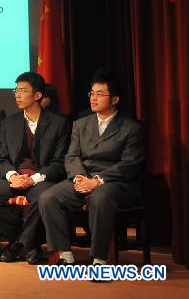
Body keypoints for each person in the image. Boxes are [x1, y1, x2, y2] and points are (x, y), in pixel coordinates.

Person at [39, 68, 144, 265]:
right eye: (92, 93)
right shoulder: (80, 124)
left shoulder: (131, 128)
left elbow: (129, 164)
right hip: (83, 177)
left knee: (100, 197)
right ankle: (65, 255)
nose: (93, 98)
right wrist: (79, 177)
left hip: (116, 182)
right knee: (48, 198)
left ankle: (99, 258)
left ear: (115, 99)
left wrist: (97, 181)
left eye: (100, 94)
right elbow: (72, 155)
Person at [0, 72, 70, 264]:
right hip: (15, 176)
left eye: (23, 91)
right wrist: (12, 176)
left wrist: (34, 178)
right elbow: (2, 159)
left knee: (41, 198)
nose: (17, 95)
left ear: (37, 95)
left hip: (41, 179)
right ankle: (29, 242)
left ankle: (19, 245)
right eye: (16, 90)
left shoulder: (59, 123)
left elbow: (59, 162)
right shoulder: (8, 123)